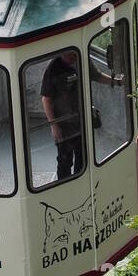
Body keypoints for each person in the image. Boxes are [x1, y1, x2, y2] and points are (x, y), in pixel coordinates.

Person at [41, 48, 84, 180]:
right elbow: (46, 99)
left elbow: (96, 75)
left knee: (82, 157)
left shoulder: (80, 59)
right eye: (70, 55)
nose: (73, 58)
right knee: (65, 160)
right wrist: (54, 126)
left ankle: (80, 182)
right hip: (64, 123)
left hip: (80, 120)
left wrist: (116, 81)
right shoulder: (53, 69)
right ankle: (65, 185)